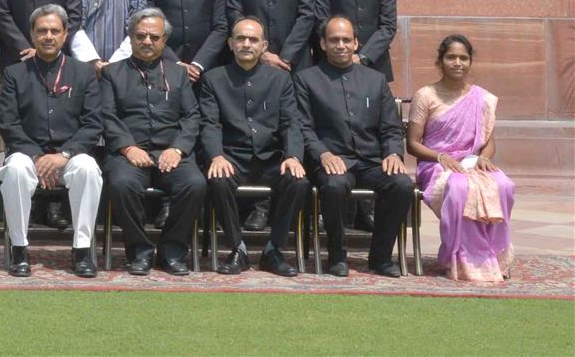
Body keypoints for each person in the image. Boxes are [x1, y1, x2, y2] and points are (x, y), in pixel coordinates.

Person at [296, 16, 413, 277]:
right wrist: (322, 154)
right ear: (323, 44)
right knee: (335, 185)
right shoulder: (306, 80)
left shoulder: (376, 80)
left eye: (346, 40)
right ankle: (337, 255)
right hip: (332, 159)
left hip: (372, 160)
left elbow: (391, 127)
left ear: (356, 43)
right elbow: (302, 127)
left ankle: (381, 257)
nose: (341, 45)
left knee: (402, 185)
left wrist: (393, 152)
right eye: (334, 40)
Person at [0, 5, 103, 278]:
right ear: (32, 34)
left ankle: (81, 249)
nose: (48, 36)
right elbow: (8, 123)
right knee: (15, 170)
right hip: (28, 154)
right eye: (42, 30)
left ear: (65, 34)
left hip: (69, 155)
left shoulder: (83, 72)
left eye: (55, 31)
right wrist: (36, 156)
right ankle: (20, 248)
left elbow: (93, 124)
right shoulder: (15, 73)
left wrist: (64, 155)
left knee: (88, 169)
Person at [100, 8, 206, 276]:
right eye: (141, 36)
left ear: (164, 41)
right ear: (131, 37)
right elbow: (106, 115)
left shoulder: (179, 73)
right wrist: (128, 147)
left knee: (194, 184)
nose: (147, 41)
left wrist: (178, 148)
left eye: (154, 37)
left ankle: (171, 251)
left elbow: (192, 116)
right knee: (122, 184)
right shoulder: (112, 73)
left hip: (171, 152)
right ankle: (140, 252)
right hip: (129, 154)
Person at [199, 18, 308, 276]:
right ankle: (238, 249)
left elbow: (291, 123)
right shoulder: (214, 79)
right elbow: (209, 123)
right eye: (240, 38)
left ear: (264, 46)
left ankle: (273, 250)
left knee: (298, 181)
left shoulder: (280, 80)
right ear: (230, 43)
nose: (246, 44)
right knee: (217, 179)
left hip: (271, 159)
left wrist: (293, 156)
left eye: (253, 39)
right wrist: (216, 155)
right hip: (232, 158)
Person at [407, 34, 515, 283]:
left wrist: (483, 158)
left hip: (473, 162)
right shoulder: (426, 95)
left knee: (503, 185)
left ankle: (496, 258)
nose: (457, 62)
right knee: (459, 188)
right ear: (440, 61)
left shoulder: (482, 98)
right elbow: (412, 144)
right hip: (436, 164)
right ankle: (461, 258)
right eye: (451, 57)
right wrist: (442, 157)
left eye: (463, 58)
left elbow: (488, 140)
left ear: (470, 62)